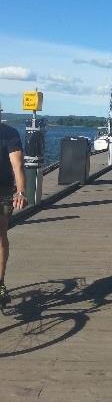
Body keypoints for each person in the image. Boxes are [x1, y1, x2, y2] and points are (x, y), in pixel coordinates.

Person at [0, 122, 28, 305]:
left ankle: (0, 283)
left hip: (2, 190)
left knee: (1, 235)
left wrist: (20, 191)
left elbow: (17, 165)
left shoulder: (9, 133)